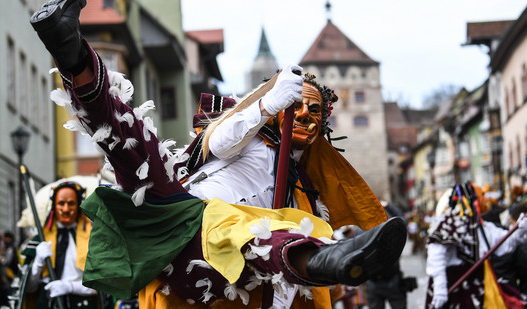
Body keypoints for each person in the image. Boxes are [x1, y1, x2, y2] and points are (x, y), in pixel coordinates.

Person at [29, 0, 407, 307]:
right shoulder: (254, 133)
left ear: (325, 124)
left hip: (212, 261)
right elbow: (220, 139)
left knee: (262, 230)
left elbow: (275, 267)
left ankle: (328, 260)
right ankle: (70, 51)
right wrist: (267, 104)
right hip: (176, 208)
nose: (305, 115)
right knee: (130, 141)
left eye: (316, 111)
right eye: (300, 105)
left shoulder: (302, 190)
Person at [425, 183, 526, 309]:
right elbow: (436, 257)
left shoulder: (483, 228)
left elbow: (507, 244)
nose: (484, 200)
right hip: (456, 294)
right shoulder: (448, 226)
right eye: (479, 197)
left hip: (481, 290)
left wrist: (520, 230)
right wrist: (440, 288)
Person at [22, 181, 99, 309]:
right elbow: (29, 288)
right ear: (54, 206)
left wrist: (70, 287)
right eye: (61, 203)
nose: (66, 209)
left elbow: (102, 285)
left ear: (79, 205)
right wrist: (38, 262)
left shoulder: (93, 239)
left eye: (71, 203)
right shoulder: (40, 240)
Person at [364, 202, 409, 309]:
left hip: (372, 281)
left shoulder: (361, 231)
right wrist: (388, 205)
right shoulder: (392, 229)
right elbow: (402, 219)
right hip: (391, 280)